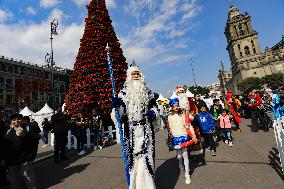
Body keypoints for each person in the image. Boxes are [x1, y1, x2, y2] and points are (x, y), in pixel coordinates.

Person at [111, 65, 157, 189]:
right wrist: (117, 106)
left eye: (137, 74)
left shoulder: (147, 91)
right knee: (134, 160)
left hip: (145, 129)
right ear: (129, 76)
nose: (136, 76)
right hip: (131, 131)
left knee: (147, 159)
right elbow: (120, 116)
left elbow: (154, 106)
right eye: (133, 74)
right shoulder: (124, 93)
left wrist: (153, 113)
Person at [166, 98, 198, 184]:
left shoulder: (183, 114)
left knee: (185, 156)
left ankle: (187, 175)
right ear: (172, 107)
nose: (176, 107)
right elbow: (169, 128)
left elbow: (189, 125)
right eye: (174, 106)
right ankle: (180, 163)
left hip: (184, 136)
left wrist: (194, 136)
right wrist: (170, 136)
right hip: (176, 138)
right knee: (179, 156)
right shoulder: (169, 116)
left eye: (177, 105)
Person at [3, 113, 33, 189]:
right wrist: (3, 158)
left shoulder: (26, 130)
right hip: (12, 161)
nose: (16, 121)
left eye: (19, 119)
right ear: (11, 122)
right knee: (14, 180)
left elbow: (33, 144)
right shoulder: (8, 131)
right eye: (14, 119)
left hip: (24, 160)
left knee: (27, 180)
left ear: (22, 121)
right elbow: (5, 146)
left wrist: (24, 136)